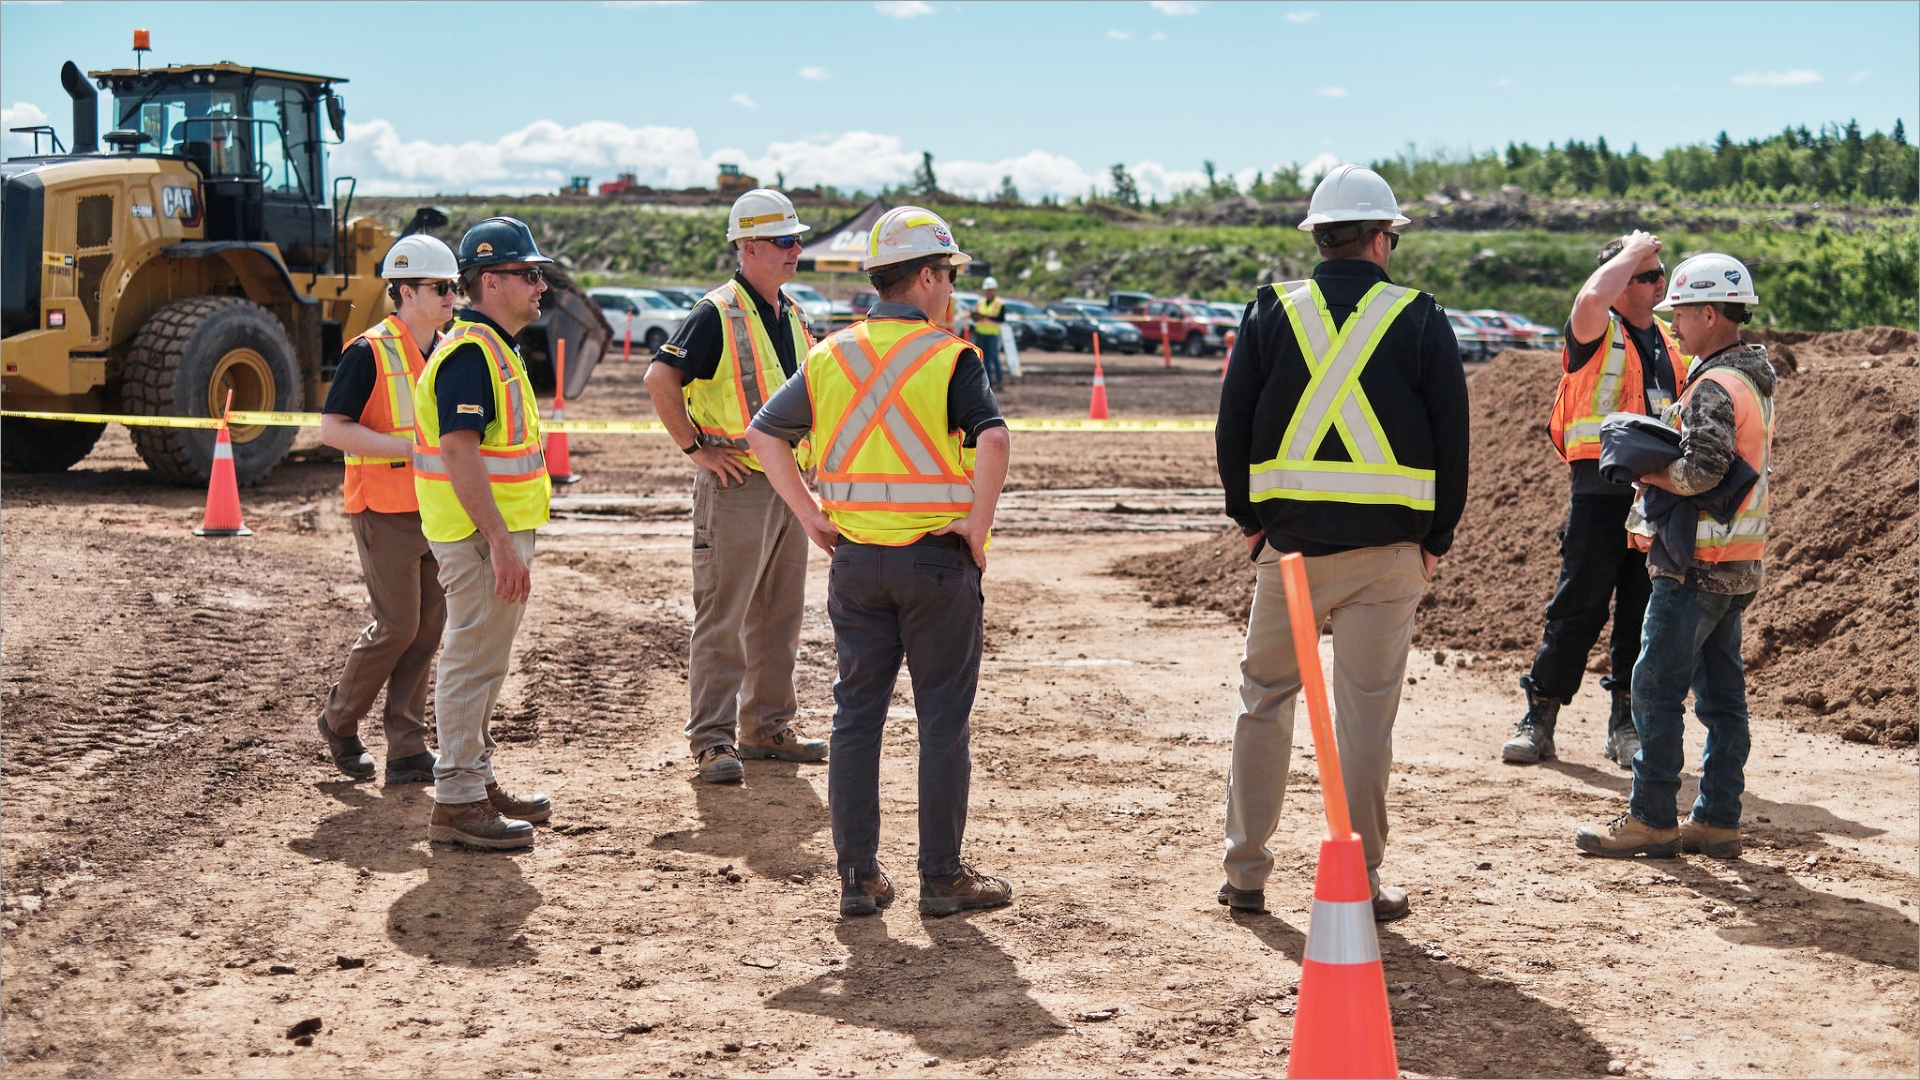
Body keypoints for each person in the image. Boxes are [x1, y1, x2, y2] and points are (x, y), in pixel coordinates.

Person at [743, 205, 1014, 919]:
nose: (951, 288)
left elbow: (762, 433)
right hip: (936, 564)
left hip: (857, 563)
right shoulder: (950, 354)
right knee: (942, 723)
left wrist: (810, 516)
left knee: (855, 718)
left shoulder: (830, 354)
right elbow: (993, 441)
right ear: (926, 276)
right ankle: (941, 878)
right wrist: (976, 528)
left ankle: (859, 877)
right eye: (949, 274)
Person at [1214, 165, 1469, 923]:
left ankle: (1247, 875)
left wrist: (1251, 521)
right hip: (1389, 554)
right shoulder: (1420, 318)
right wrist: (1437, 538)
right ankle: (1357, 881)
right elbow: (1453, 440)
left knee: (1265, 703)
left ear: (1320, 237)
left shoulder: (1269, 312)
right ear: (1383, 239)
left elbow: (1232, 425)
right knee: (1365, 717)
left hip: (1289, 551)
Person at [1577, 253, 1773, 860]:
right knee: (1721, 699)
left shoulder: (1714, 385)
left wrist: (1649, 470)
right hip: (1736, 563)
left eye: (1682, 313)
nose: (1676, 325)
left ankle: (1653, 818)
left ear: (1710, 314)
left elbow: (1703, 470)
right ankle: (1716, 818)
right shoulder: (1750, 377)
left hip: (1696, 565)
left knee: (1655, 689)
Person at [642, 188, 829, 785]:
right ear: (748, 246)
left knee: (779, 614)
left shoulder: (793, 314)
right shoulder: (716, 313)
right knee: (723, 615)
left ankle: (767, 727)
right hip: (739, 481)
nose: (795, 249)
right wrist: (697, 449)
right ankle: (713, 741)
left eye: (796, 239)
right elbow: (659, 378)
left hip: (785, 481)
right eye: (784, 241)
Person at [1503, 231, 1690, 768]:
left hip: (1656, 495)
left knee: (1640, 611)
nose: (1661, 281)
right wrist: (1631, 248)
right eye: (1649, 274)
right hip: (1599, 493)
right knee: (1576, 608)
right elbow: (1588, 300)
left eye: (1661, 272)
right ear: (1621, 281)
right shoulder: (1596, 330)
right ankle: (1539, 717)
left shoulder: (1670, 343)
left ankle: (1624, 724)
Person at [411, 216, 556, 849]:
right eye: (529, 274)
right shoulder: (472, 353)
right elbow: (459, 451)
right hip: (477, 536)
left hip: (488, 531)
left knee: (484, 664)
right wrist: (499, 540)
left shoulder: (492, 346)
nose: (541, 285)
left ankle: (474, 776)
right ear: (490, 282)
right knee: (471, 663)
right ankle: (459, 797)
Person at [315, 234, 459, 785]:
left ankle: (406, 746)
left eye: (453, 286)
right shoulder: (368, 351)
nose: (450, 295)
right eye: (438, 287)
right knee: (397, 624)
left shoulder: (449, 350)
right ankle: (339, 719)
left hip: (438, 510)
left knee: (427, 628)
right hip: (384, 506)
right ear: (403, 290)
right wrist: (409, 450)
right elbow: (332, 429)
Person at [972, 276, 1006, 389]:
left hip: (992, 334)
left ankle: (1000, 381)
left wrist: (986, 318)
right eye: (987, 289)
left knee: (994, 357)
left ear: (994, 290)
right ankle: (989, 382)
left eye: (990, 289)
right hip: (981, 333)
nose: (989, 292)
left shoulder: (999, 303)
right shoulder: (980, 302)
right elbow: (975, 316)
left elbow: (1001, 319)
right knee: (984, 358)